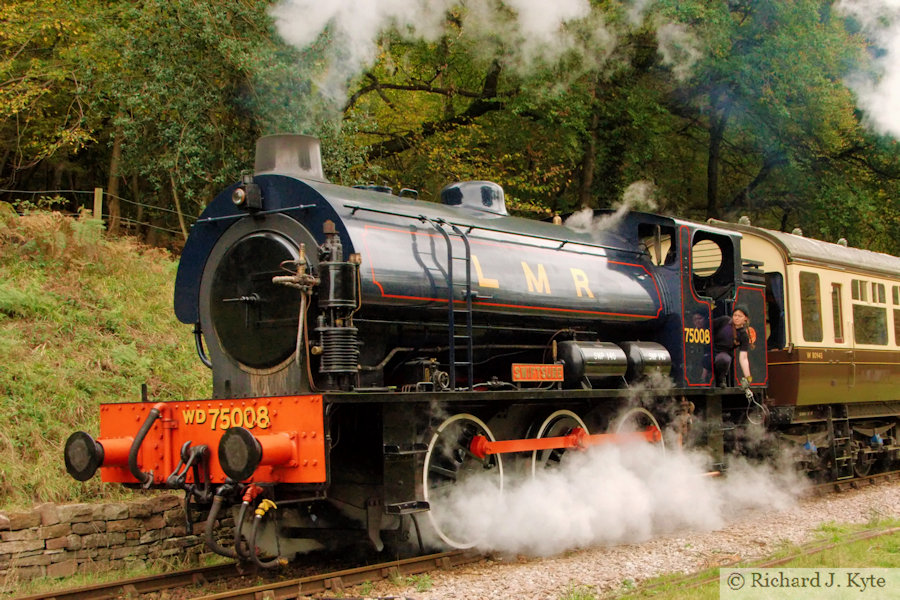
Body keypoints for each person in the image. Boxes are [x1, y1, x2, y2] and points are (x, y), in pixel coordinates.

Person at [712, 305, 752, 388]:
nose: (736, 318)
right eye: (735, 315)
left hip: (723, 353)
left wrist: (748, 377)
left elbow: (743, 358)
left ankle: (721, 379)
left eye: (740, 316)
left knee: (724, 359)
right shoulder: (724, 321)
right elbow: (708, 326)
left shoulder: (743, 336)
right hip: (710, 349)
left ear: (745, 319)